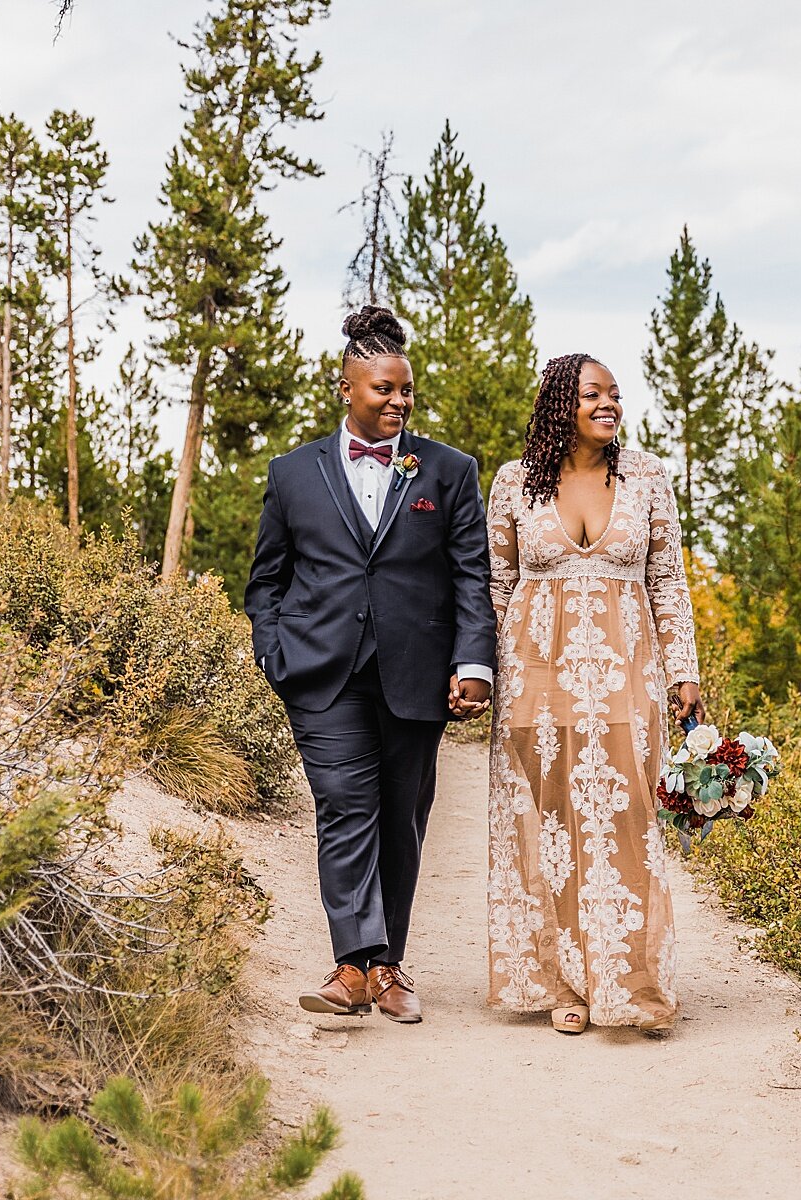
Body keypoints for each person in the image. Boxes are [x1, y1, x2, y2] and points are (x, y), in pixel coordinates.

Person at [246, 305, 496, 1025]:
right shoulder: (292, 474)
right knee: (344, 808)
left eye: (405, 389)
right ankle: (357, 966)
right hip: (320, 674)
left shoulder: (447, 472)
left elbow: (469, 575)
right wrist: (274, 650)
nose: (398, 401)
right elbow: (266, 579)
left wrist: (474, 661)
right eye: (383, 388)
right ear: (346, 388)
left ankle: (385, 964)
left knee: (401, 822)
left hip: (415, 674)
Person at [484, 353, 704, 1034]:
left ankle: (630, 984)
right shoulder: (514, 484)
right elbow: (496, 587)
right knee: (547, 828)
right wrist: (487, 680)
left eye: (614, 393)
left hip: (624, 677)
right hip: (534, 677)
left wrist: (683, 671)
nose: (607, 403)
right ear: (559, 404)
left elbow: (667, 579)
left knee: (625, 822)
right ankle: (562, 983)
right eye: (592, 394)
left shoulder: (646, 478)